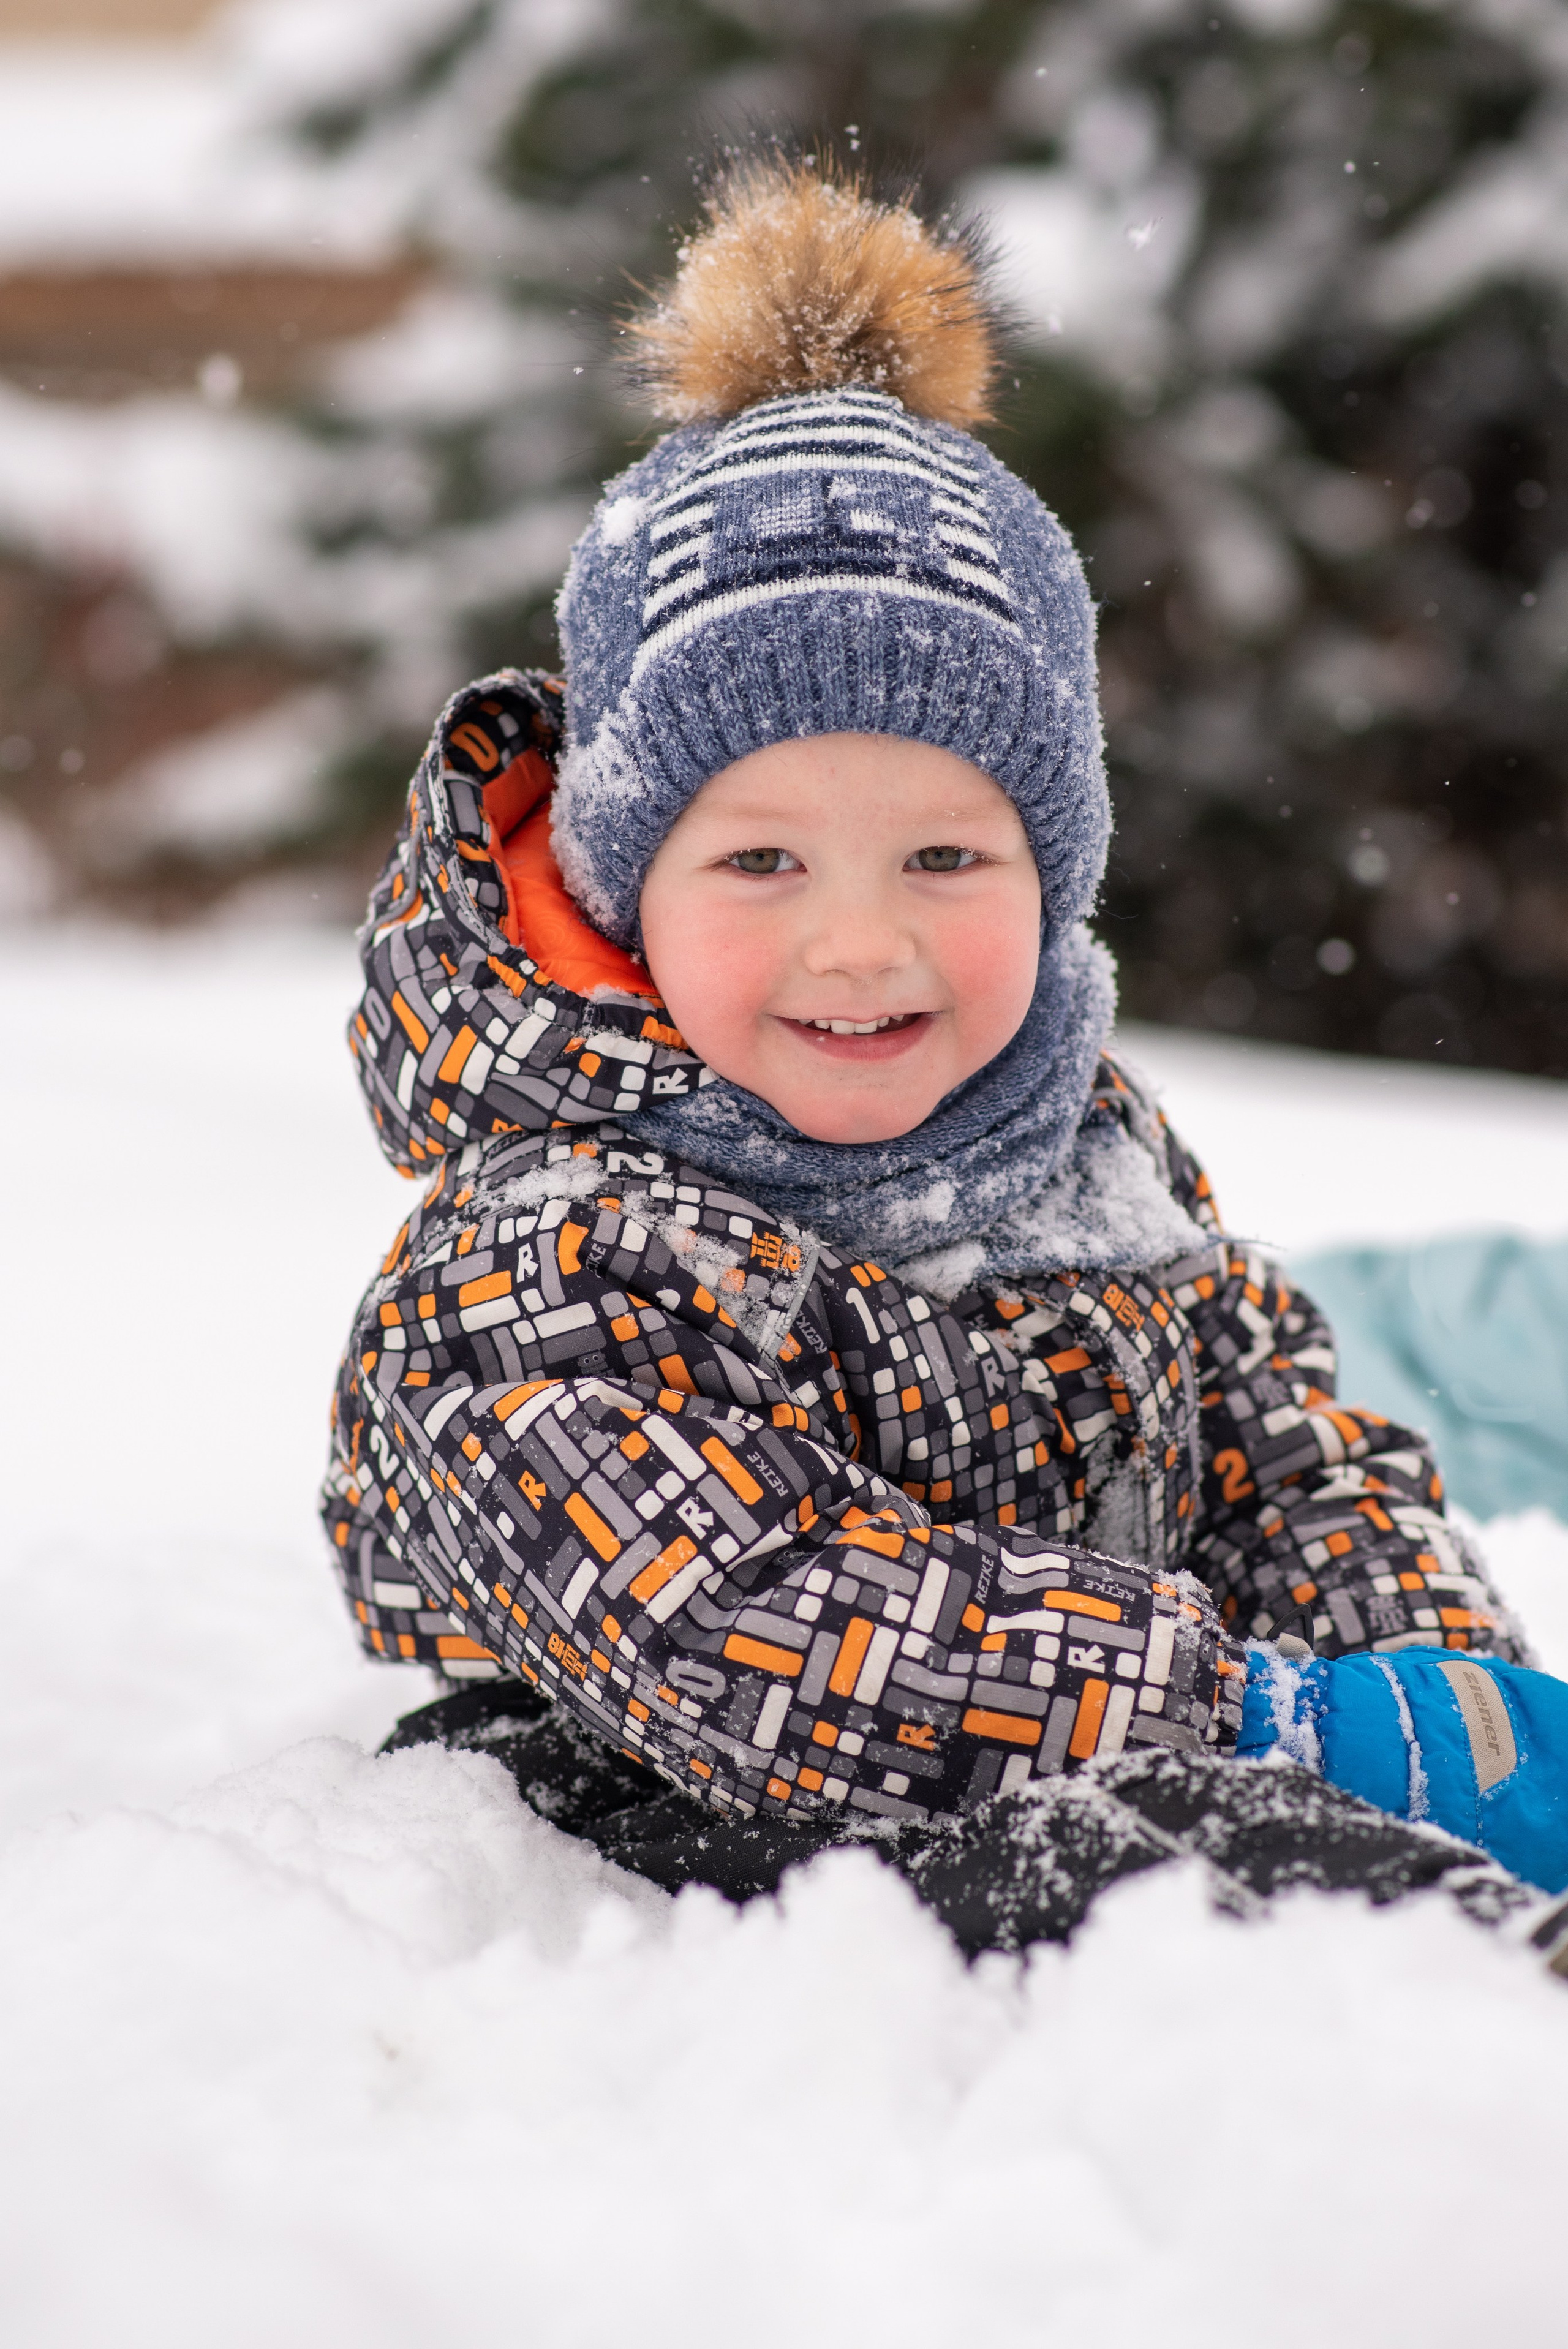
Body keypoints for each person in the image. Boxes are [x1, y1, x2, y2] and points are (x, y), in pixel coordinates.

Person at [323, 159, 1568, 1952]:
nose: (861, 941)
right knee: (1206, 1858)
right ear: (623, 881)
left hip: (1126, 1736)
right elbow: (755, 1628)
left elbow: (1276, 1437)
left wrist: (1428, 1676)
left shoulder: (1078, 1141)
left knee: (1301, 1818)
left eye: (945, 857)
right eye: (762, 861)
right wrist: (1256, 1714)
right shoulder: (546, 1248)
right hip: (704, 1821)